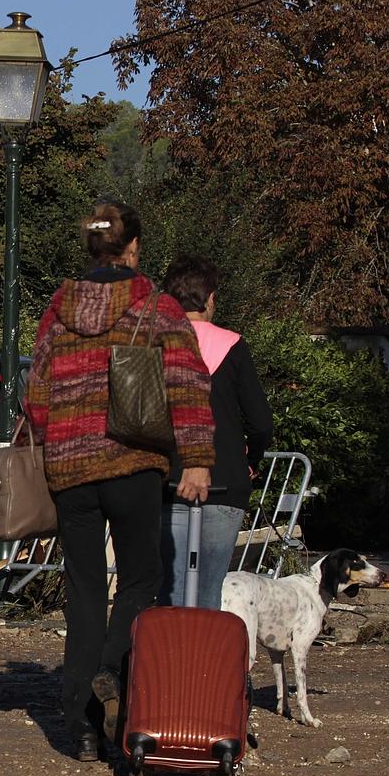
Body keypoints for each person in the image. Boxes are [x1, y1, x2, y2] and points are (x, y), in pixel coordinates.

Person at [24, 202, 215, 762]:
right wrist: (197, 460)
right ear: (132, 249)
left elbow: (37, 394)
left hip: (71, 471)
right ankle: (111, 670)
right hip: (133, 464)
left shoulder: (57, 310)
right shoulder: (157, 305)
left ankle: (80, 728)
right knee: (140, 581)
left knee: (84, 592)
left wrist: (60, 438)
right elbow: (186, 384)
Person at [160, 255, 273, 610]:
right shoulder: (233, 345)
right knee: (209, 590)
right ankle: (203, 647)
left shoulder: (155, 345)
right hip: (225, 479)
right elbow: (260, 422)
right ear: (209, 299)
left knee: (170, 588)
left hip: (168, 480)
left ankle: (170, 647)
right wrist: (251, 460)